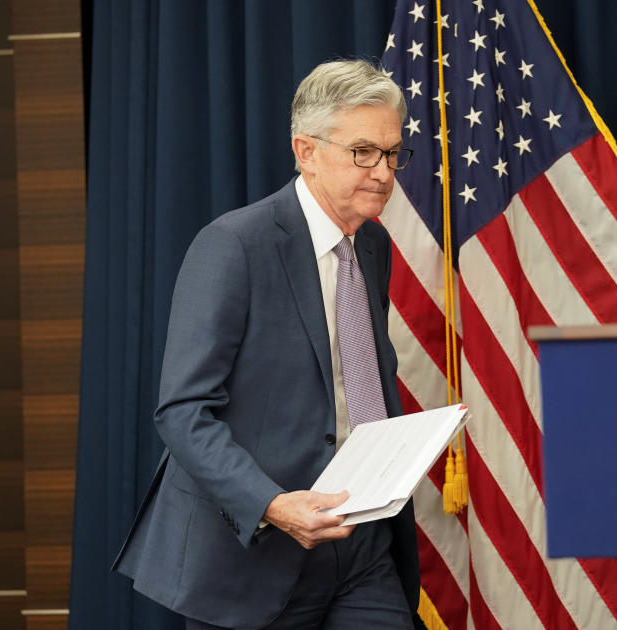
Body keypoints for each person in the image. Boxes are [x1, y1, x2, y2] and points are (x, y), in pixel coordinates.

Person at [114, 59, 423, 630]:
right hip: (252, 553)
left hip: (360, 543)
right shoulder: (234, 245)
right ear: (305, 151)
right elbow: (183, 411)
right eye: (363, 152)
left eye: (391, 153)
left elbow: (351, 380)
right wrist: (274, 506)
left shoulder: (373, 245)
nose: (383, 172)